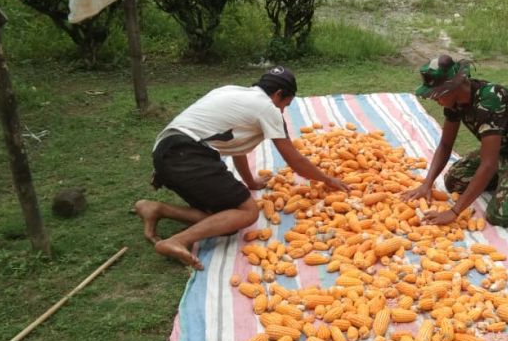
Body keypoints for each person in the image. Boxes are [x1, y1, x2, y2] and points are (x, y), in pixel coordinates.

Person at [134, 66, 348, 269]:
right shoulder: (268, 108)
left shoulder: (231, 91)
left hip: (166, 152)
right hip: (188, 155)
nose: (283, 110)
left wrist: (251, 182)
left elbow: (236, 147)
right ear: (279, 94)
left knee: (225, 220)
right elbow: (295, 160)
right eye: (286, 104)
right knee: (247, 213)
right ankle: (178, 241)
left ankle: (156, 209)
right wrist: (328, 180)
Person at [402, 55, 508, 227]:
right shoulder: (454, 102)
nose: (433, 98)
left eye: (437, 94)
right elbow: (446, 144)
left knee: (500, 216)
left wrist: (454, 212)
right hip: (504, 146)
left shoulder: (490, 102)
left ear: (454, 88)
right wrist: (427, 184)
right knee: (454, 181)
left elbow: (488, 164)